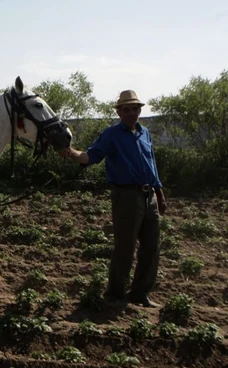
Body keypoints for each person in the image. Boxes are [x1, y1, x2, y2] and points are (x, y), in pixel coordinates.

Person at [60, 90, 167, 308]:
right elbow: (90, 156)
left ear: (140, 111)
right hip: (126, 196)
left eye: (134, 109)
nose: (130, 113)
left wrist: (160, 194)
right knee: (125, 247)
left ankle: (139, 294)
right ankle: (115, 294)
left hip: (149, 196)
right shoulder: (111, 135)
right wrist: (70, 152)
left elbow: (152, 165)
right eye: (125, 109)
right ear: (119, 112)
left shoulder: (144, 133)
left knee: (152, 247)